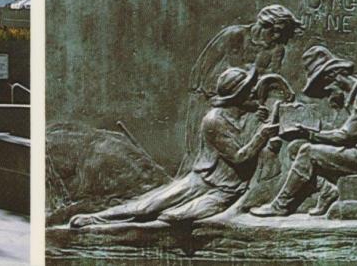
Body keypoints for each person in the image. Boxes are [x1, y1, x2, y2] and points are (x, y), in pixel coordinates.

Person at [70, 66, 279, 227]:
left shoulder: (250, 115)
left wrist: (259, 123)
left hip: (227, 190)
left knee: (175, 217)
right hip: (202, 181)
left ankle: (140, 229)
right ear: (237, 97)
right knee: (148, 207)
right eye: (249, 89)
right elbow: (239, 156)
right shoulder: (214, 121)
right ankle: (95, 220)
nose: (255, 92)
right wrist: (262, 134)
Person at [251, 45, 357, 217]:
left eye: (325, 88)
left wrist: (309, 134)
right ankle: (327, 191)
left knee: (308, 151)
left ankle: (281, 205)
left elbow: (348, 135)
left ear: (335, 76)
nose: (326, 95)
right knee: (296, 147)